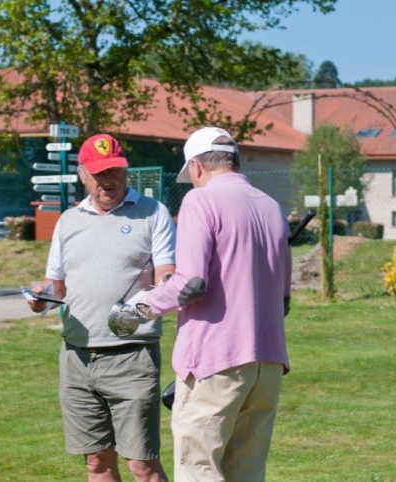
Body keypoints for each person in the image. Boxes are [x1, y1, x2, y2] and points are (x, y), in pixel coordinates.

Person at [123, 126, 292, 481]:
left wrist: (139, 307)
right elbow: (284, 299)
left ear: (197, 167)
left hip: (217, 359)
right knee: (246, 471)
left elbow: (191, 284)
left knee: (198, 468)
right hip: (268, 361)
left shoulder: (200, 201)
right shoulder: (272, 207)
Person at [27, 133, 175, 482]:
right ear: (82, 174)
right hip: (77, 357)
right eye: (98, 172)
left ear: (126, 171)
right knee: (95, 461)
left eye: (115, 171)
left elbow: (169, 278)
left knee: (142, 464)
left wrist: (152, 300)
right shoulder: (68, 220)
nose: (107, 179)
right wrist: (41, 295)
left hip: (132, 356)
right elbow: (58, 285)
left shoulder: (153, 213)